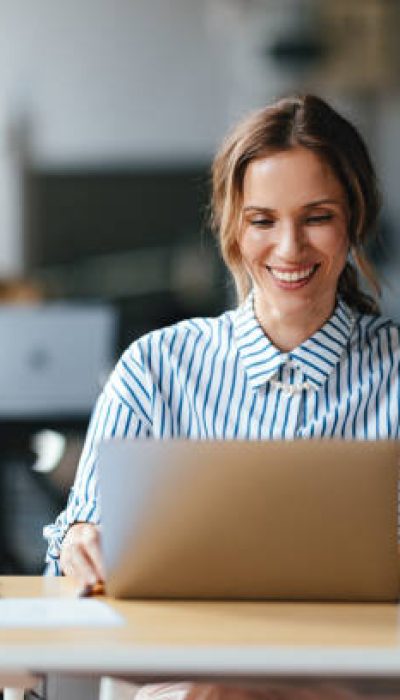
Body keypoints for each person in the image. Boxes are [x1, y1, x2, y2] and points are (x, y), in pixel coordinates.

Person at [44, 94, 400, 699]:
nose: (289, 249)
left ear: (354, 218)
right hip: (183, 678)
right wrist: (80, 542)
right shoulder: (155, 368)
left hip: (360, 679)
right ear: (233, 227)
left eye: (316, 216)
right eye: (263, 220)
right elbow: (66, 569)